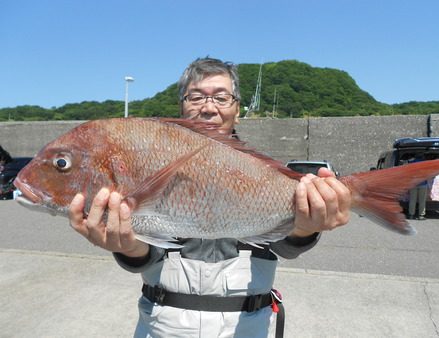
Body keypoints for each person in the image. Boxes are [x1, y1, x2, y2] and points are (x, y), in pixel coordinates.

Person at [69, 57, 351, 337]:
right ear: (181, 106)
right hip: (163, 325)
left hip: (247, 325)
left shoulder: (262, 170)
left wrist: (307, 226)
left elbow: (285, 247)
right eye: (196, 97)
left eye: (221, 97)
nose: (208, 108)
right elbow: (147, 254)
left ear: (237, 109)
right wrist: (127, 247)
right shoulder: (149, 162)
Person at [407, 155, 428, 220]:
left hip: (413, 184)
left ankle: (411, 215)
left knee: (412, 200)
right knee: (422, 200)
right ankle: (421, 215)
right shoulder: (426, 163)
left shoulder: (411, 163)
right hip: (423, 184)